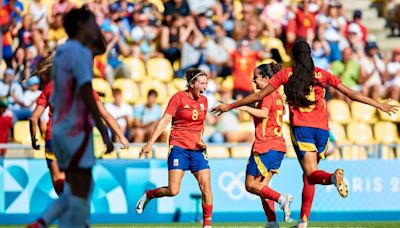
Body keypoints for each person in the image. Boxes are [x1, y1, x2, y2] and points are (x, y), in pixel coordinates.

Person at [212, 40, 398, 228]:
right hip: (323, 131)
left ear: (293, 56)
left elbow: (258, 96)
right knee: (307, 176)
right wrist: (379, 104)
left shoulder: (287, 74)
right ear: (310, 55)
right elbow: (350, 93)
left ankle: (333, 177)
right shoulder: (322, 74)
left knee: (311, 174)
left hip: (302, 130)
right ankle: (303, 221)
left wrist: (231, 105)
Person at [33, 7, 113, 228]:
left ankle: (47, 222)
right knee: (82, 187)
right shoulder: (79, 53)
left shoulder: (64, 50)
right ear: (81, 25)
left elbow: (100, 48)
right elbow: (86, 91)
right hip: (75, 128)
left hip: (59, 128)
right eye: (92, 22)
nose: (96, 25)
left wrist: (95, 29)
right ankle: (45, 222)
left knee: (76, 186)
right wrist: (103, 130)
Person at [27, 55, 129, 228]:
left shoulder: (51, 87)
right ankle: (58, 222)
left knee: (61, 185)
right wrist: (119, 136)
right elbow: (103, 115)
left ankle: (52, 222)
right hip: (74, 141)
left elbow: (33, 118)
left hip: (52, 139)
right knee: (81, 186)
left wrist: (34, 139)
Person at [136, 68, 213, 228]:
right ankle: (149, 194)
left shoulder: (204, 101)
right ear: (192, 84)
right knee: (173, 190)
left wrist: (200, 139)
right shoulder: (178, 98)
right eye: (202, 83)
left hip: (197, 150)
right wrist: (150, 143)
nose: (205, 87)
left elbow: (201, 124)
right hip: (179, 148)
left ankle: (207, 225)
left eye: (206, 83)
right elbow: (164, 120)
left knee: (206, 185)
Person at [238, 63, 293, 227]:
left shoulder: (267, 95)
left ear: (266, 78)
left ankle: (282, 199)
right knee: (262, 187)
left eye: (256, 77)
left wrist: (245, 107)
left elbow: (263, 114)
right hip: (278, 146)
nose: (253, 80)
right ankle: (272, 222)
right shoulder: (277, 96)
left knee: (250, 185)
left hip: (266, 145)